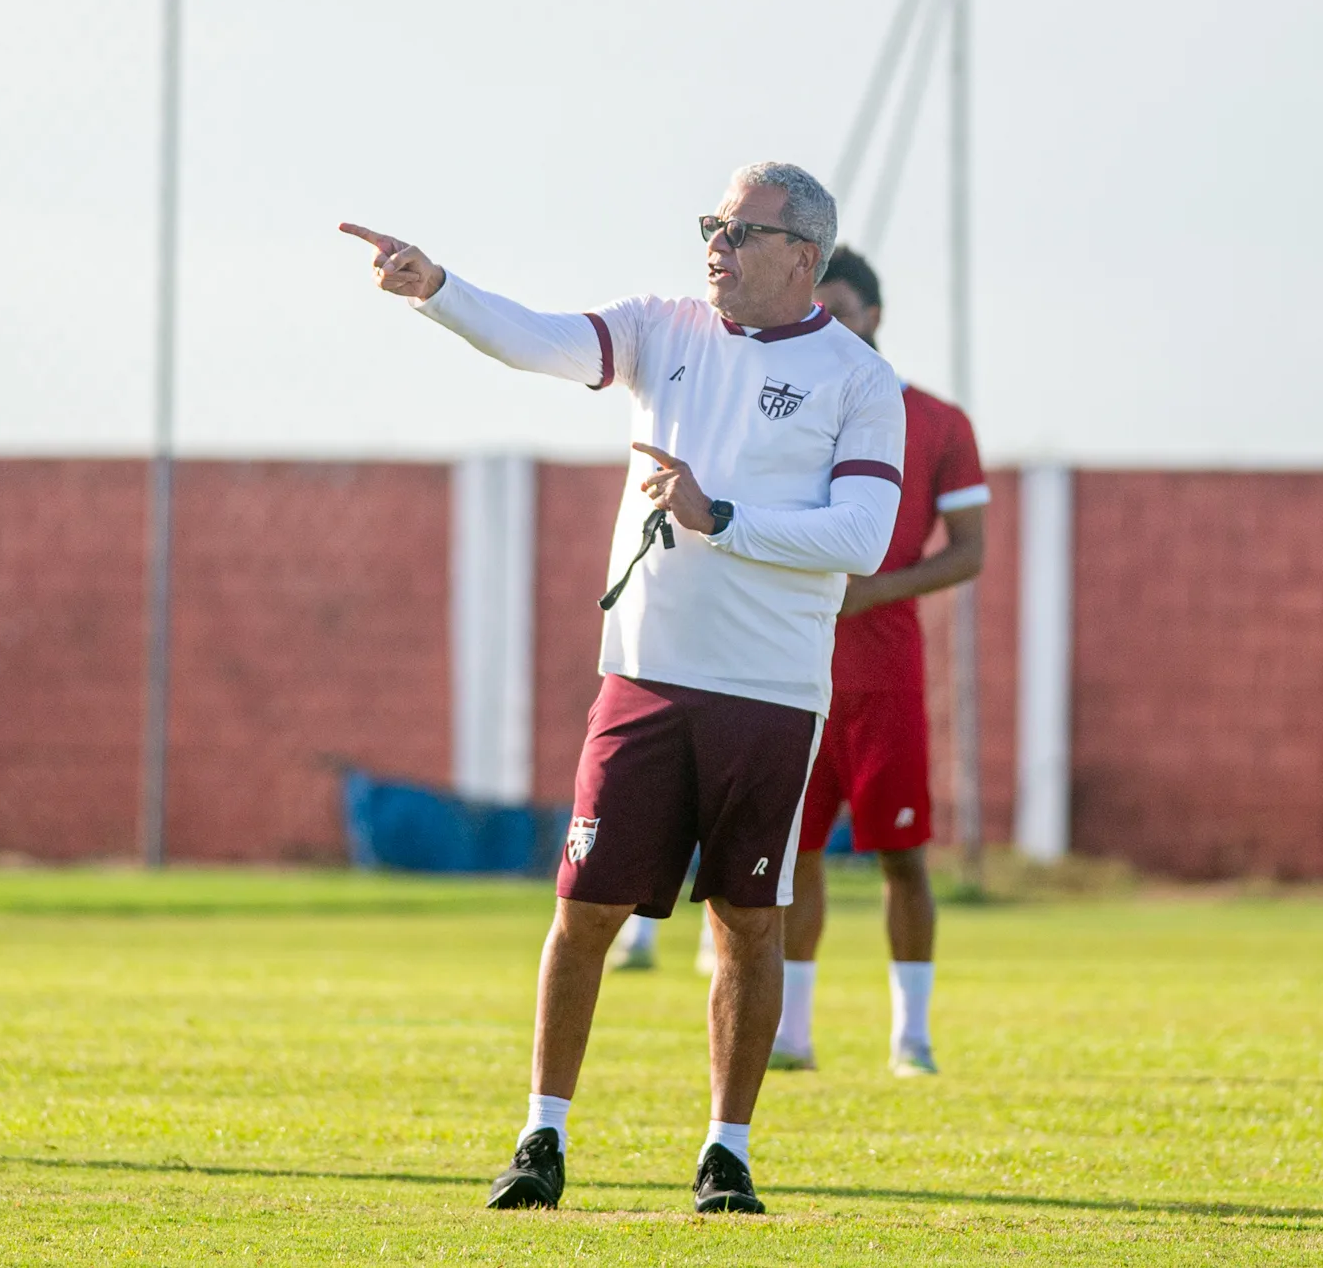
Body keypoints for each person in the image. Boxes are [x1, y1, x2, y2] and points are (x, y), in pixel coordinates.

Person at [341, 163, 904, 1215]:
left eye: (743, 231)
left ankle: (726, 1154)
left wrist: (721, 514)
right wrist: (437, 288)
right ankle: (540, 1138)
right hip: (644, 676)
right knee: (584, 907)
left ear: (805, 257)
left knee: (748, 920)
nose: (717, 245)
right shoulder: (665, 328)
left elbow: (863, 536)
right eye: (713, 224)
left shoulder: (859, 381)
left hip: (772, 692)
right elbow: (539, 338)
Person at [768, 247, 988, 1078]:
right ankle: (791, 1033)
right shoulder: (785, 410)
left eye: (844, 310)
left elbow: (969, 552)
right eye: (815, 312)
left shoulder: (937, 421)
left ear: (874, 316)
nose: (833, 327)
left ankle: (912, 1037)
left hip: (886, 675)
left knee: (902, 854)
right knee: (790, 852)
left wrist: (874, 590)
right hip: (790, 661)